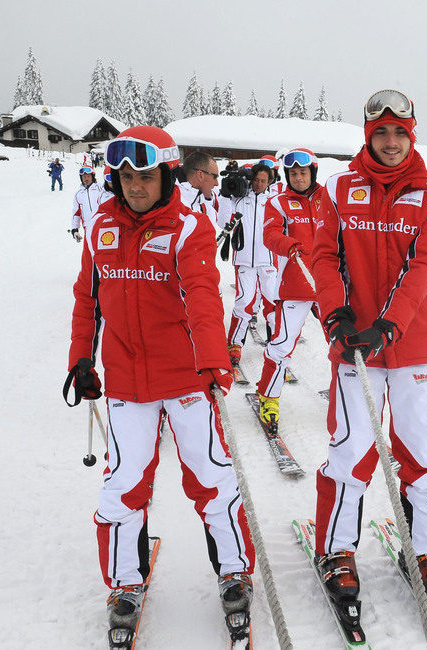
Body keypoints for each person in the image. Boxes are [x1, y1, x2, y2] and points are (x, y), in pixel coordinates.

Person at [65, 125, 255, 638]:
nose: (133, 185)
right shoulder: (103, 226)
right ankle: (127, 580)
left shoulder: (189, 228)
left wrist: (215, 360)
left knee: (211, 477)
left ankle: (235, 572)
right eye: (125, 176)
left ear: (168, 174)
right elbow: (88, 298)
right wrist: (81, 359)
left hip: (187, 379)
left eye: (145, 175)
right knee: (123, 485)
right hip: (126, 382)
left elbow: (202, 295)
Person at [311, 90, 427, 609]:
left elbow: (424, 267)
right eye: (381, 133)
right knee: (350, 451)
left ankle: (426, 552)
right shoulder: (337, 189)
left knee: (423, 452)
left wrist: (389, 325)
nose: (390, 142)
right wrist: (336, 310)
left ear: (411, 134)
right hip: (354, 345)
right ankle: (336, 550)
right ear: (367, 134)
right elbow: (323, 256)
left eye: (400, 132)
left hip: (414, 344)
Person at [254, 148, 323, 427]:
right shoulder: (279, 202)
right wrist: (288, 244)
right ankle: (268, 397)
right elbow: (270, 235)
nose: (298, 177)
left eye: (303, 172)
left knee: (344, 346)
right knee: (281, 345)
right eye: (292, 173)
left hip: (330, 285)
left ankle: (350, 399)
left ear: (313, 173)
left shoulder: (329, 199)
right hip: (295, 285)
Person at [225, 163, 278, 373]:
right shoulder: (239, 198)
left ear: (269, 182)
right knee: (244, 301)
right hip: (245, 259)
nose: (258, 184)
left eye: (263, 181)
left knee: (273, 302)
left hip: (268, 261)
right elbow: (223, 222)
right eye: (256, 180)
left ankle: (276, 344)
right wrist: (225, 195)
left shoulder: (273, 201)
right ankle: (235, 345)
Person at [69, 165, 110, 242]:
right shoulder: (78, 194)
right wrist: (75, 229)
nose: (86, 178)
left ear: (92, 176)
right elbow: (76, 213)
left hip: (104, 225)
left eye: (88, 176)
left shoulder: (101, 188)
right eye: (83, 177)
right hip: (88, 228)